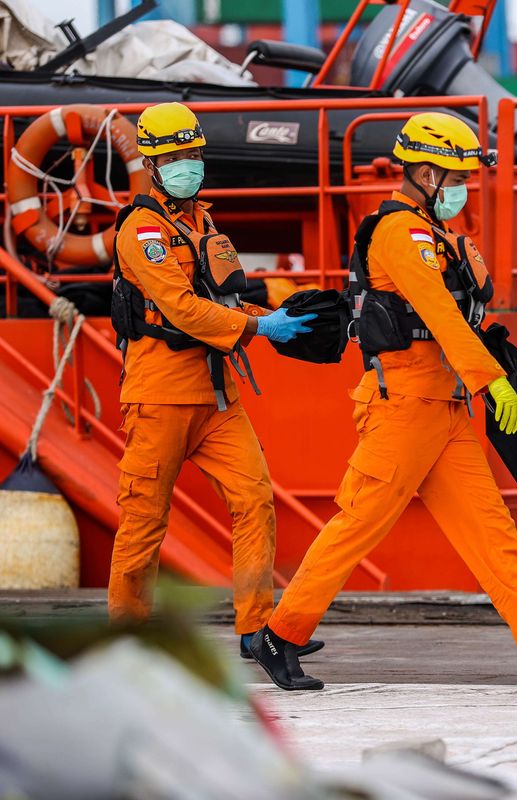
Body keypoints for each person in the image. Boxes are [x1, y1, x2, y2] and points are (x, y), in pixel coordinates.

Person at [248, 112, 517, 691]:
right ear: (423, 171)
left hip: (442, 407)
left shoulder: (433, 232)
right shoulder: (399, 233)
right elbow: (439, 313)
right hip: (403, 406)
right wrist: (491, 380)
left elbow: (462, 309)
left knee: (491, 531)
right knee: (356, 527)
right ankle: (279, 637)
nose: (463, 188)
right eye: (455, 176)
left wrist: (481, 374)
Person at [108, 102, 321, 660]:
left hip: (216, 395)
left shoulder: (202, 221)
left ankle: (256, 628)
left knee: (255, 501)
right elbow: (180, 308)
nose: (187, 164)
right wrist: (259, 328)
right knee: (143, 522)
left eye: (193, 154)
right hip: (159, 397)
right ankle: (126, 640)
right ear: (152, 165)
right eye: (175, 156)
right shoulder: (141, 229)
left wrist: (276, 304)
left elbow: (220, 292)